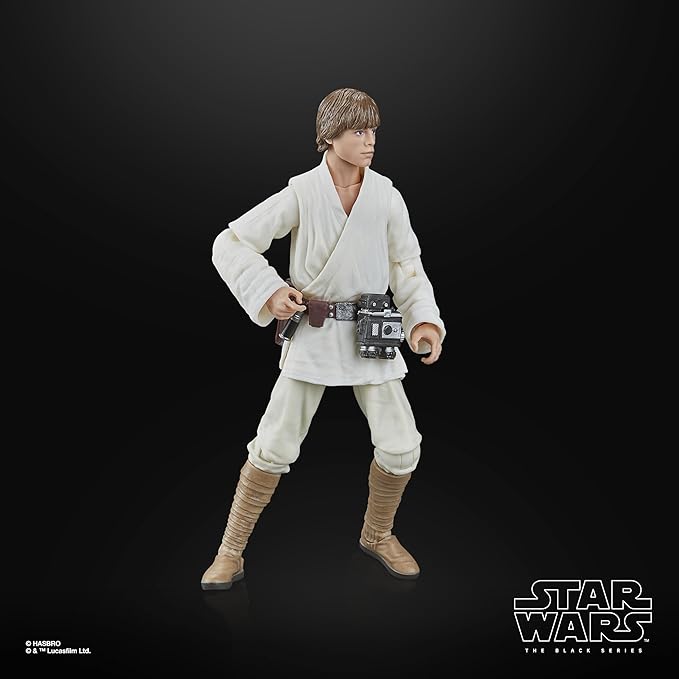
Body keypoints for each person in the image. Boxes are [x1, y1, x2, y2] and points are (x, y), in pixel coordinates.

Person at [201, 87, 445, 589]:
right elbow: (232, 242)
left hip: (372, 330)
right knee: (273, 445)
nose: (369, 140)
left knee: (402, 446)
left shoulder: (386, 196)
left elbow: (406, 265)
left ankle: (378, 534)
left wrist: (422, 319)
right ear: (330, 136)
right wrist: (270, 291)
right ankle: (230, 550)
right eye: (358, 131)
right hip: (313, 330)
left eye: (373, 130)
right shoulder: (302, 193)